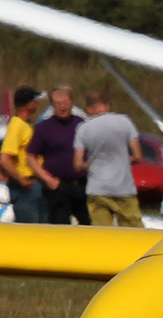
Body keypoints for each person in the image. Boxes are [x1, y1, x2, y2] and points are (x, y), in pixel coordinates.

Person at [74, 92, 143, 228]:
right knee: (134, 234)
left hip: (97, 189)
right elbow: (138, 156)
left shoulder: (83, 129)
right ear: (107, 106)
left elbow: (77, 164)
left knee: (102, 235)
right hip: (123, 188)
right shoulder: (124, 121)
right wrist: (125, 159)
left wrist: (93, 165)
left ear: (89, 109)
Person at [28, 85, 89, 225]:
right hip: (58, 187)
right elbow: (30, 157)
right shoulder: (44, 128)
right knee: (60, 228)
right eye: (58, 103)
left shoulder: (82, 125)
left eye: (66, 103)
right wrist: (48, 179)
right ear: (52, 105)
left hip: (83, 186)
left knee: (89, 226)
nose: (63, 107)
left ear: (72, 103)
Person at [0, 86, 47, 223]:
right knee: (32, 231)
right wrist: (23, 181)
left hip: (36, 185)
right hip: (27, 189)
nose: (37, 105)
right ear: (29, 104)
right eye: (35, 101)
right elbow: (5, 159)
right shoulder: (17, 126)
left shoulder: (26, 125)